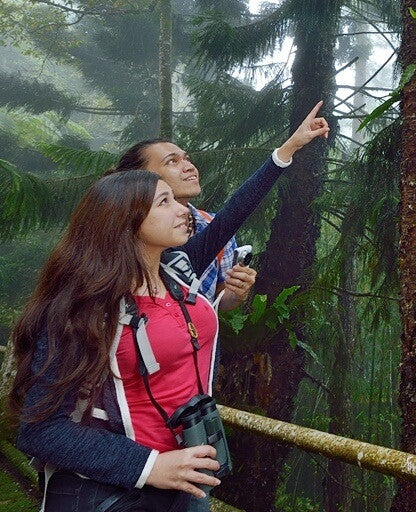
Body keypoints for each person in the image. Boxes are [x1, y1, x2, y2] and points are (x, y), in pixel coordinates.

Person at [9, 102, 328, 511]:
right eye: (164, 200)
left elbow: (233, 213)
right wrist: (150, 465)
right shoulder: (86, 306)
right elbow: (40, 430)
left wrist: (287, 150)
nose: (185, 211)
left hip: (192, 471)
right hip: (124, 488)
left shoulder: (177, 271)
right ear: (125, 213)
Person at [110, 139, 256, 311]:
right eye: (172, 161)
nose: (189, 167)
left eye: (187, 159)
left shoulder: (213, 225)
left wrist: (236, 293)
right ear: (139, 177)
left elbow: (217, 300)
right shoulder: (115, 237)